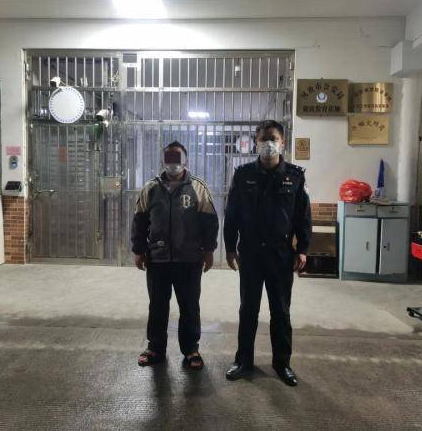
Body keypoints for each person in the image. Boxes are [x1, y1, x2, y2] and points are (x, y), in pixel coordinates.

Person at [223, 120, 311, 386]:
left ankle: (282, 363)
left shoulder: (295, 176)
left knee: (281, 311)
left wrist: (303, 249)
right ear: (256, 142)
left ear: (282, 142)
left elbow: (302, 217)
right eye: (263, 139)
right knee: (248, 309)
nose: (268, 144)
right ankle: (243, 361)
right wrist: (230, 247)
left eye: (273, 138)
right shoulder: (243, 175)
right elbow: (232, 214)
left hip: (280, 255)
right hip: (250, 253)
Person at [131, 141, 219, 370]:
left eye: (177, 158)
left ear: (186, 160)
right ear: (163, 160)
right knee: (157, 306)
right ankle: (155, 348)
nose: (173, 163)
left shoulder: (198, 187)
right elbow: (140, 221)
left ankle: (191, 349)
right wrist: (138, 250)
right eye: (168, 158)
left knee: (189, 306)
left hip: (189, 260)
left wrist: (209, 250)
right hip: (158, 259)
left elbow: (210, 222)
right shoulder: (151, 188)